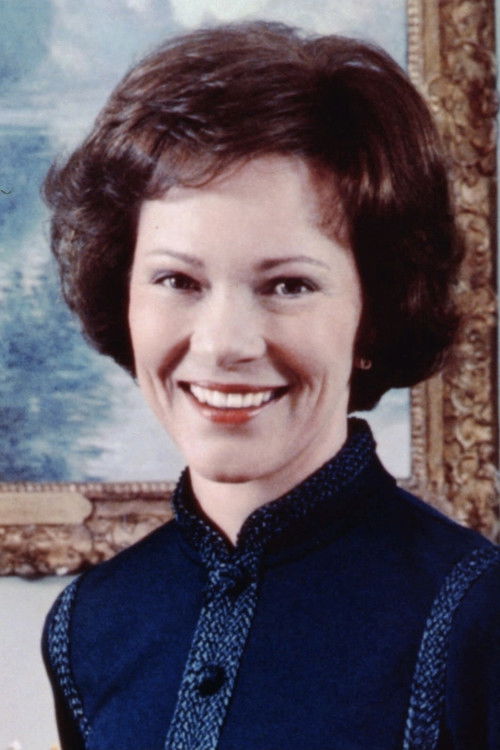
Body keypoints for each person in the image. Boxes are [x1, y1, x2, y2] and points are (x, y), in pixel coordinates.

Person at [42, 21, 499, 750]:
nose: (224, 344)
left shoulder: (477, 614)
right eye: (177, 280)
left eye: (288, 285)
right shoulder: (88, 624)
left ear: (377, 312)